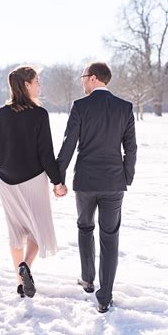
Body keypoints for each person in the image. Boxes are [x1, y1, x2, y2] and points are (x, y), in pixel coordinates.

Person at [56, 62, 137, 313]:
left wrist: (59, 178)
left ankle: (88, 279)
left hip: (86, 182)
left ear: (93, 78)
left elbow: (69, 144)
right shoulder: (124, 108)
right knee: (110, 237)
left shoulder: (81, 106)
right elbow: (131, 148)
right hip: (114, 182)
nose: (82, 82)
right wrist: (126, 177)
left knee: (85, 227)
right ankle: (105, 297)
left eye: (83, 77)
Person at [0, 66, 65, 298]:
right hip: (32, 180)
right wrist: (58, 182)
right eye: (37, 80)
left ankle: (20, 282)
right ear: (26, 85)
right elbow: (46, 154)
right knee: (36, 231)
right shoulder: (39, 114)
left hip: (5, 181)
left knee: (15, 231)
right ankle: (26, 267)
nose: (39, 84)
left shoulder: (0, 113)